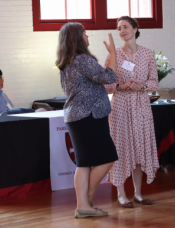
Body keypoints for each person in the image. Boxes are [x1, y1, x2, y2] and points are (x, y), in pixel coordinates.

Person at [56, 23, 118, 219]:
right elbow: (108, 77)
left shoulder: (66, 61)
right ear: (77, 37)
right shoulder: (83, 59)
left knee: (84, 163)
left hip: (77, 116)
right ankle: (86, 201)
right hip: (89, 115)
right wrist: (113, 53)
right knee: (108, 158)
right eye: (85, 33)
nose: (88, 36)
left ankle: (83, 205)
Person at [103, 16, 160, 208]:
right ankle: (121, 194)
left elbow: (154, 82)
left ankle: (138, 193)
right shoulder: (114, 54)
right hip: (120, 107)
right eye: (119, 28)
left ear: (136, 28)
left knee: (139, 148)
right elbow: (105, 84)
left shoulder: (147, 53)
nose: (122, 31)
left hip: (141, 106)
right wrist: (121, 85)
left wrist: (141, 86)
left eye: (125, 27)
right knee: (121, 148)